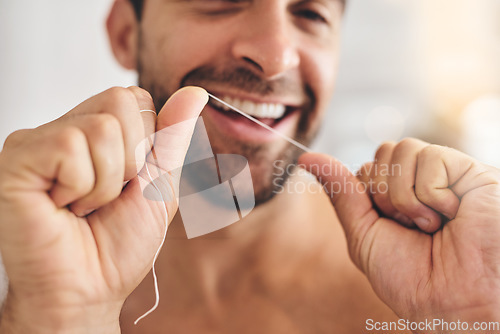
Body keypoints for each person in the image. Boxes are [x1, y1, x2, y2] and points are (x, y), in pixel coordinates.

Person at [0, 0, 499, 333]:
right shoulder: (33, 274)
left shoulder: (429, 297)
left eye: (310, 13)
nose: (276, 56)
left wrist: (475, 319)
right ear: (127, 34)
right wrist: (58, 319)